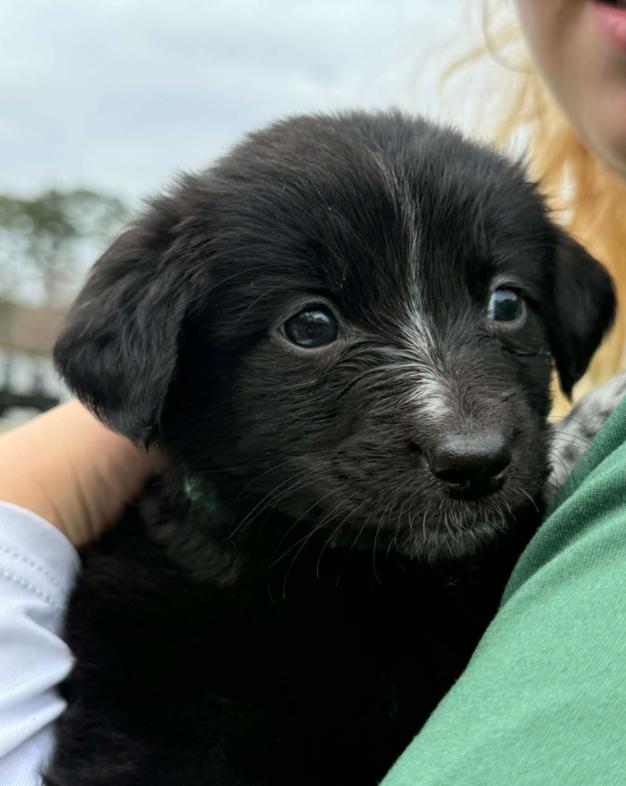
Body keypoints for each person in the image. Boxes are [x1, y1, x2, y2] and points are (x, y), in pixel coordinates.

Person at [1, 1, 626, 784]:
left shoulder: (567, 550)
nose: (464, 427)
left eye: (504, 306)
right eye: (311, 325)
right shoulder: (162, 647)